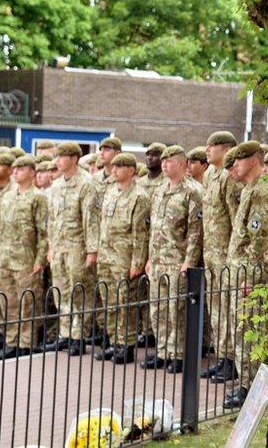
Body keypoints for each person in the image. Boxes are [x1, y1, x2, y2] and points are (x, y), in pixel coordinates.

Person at [222, 141, 268, 407]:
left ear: (254, 160)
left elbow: (259, 237)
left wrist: (252, 277)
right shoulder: (250, 189)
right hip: (240, 270)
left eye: (238, 161)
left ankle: (251, 386)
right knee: (241, 328)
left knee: (250, 328)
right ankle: (245, 382)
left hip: (250, 274)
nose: (234, 166)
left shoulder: (261, 191)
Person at [142, 145, 202, 374]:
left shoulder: (192, 191)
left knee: (177, 309)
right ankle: (162, 350)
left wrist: (189, 260)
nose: (165, 164)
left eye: (170, 161)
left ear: (181, 163)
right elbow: (153, 228)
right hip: (158, 260)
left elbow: (196, 230)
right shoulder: (159, 190)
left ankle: (177, 354)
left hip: (178, 259)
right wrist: (149, 256)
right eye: (163, 161)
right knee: (157, 309)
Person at [43, 142, 99, 356]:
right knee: (62, 290)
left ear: (74, 159)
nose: (57, 160)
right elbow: (52, 220)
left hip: (78, 246)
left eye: (62, 156)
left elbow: (91, 220)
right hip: (59, 247)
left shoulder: (86, 184)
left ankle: (79, 336)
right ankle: (65, 334)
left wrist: (92, 250)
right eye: (57, 156)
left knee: (79, 291)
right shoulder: (56, 186)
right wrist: (51, 246)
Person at [95, 153, 151, 365]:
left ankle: (125, 345)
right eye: (114, 166)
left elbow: (141, 233)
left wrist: (137, 262)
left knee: (124, 303)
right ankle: (113, 342)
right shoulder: (110, 192)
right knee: (109, 301)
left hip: (124, 257)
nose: (115, 169)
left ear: (131, 170)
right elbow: (103, 226)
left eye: (120, 166)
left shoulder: (139, 196)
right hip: (107, 256)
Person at [0, 155, 48, 360]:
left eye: (21, 169)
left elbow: (44, 232)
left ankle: (26, 344)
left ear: (32, 173)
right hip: (7, 260)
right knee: (8, 303)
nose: (15, 172)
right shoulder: (7, 197)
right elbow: (0, 230)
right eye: (14, 169)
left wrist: (40, 260)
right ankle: (11, 342)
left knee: (27, 303)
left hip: (27, 260)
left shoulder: (38, 197)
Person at [199, 131, 240, 382]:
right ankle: (222, 356)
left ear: (225, 149)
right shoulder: (209, 175)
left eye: (211, 145)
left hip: (226, 253)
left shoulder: (228, 177)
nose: (207, 149)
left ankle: (233, 360)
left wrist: (232, 254)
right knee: (216, 306)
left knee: (228, 307)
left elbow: (235, 218)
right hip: (211, 252)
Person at [135, 142, 166, 349]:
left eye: (156, 155)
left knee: (157, 297)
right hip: (141, 241)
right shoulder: (141, 183)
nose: (151, 158)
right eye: (148, 154)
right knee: (143, 294)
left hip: (160, 245)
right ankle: (146, 331)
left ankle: (156, 336)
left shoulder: (165, 184)